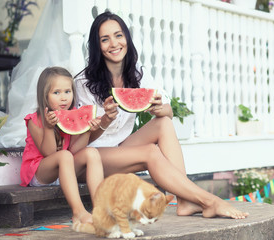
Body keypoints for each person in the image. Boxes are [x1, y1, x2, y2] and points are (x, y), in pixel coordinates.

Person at [75, 11, 249, 219]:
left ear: (127, 38)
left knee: (163, 124)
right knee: (150, 152)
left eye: (118, 35)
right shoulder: (84, 83)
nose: (114, 43)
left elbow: (169, 112)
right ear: (97, 46)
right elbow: (80, 140)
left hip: (122, 150)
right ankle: (209, 201)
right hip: (92, 159)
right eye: (105, 39)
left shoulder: (137, 72)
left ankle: (185, 200)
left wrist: (160, 108)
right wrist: (104, 122)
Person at [20, 67, 104, 224]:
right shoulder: (34, 120)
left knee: (91, 152)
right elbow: (49, 153)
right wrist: (48, 128)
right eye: (56, 93)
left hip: (64, 170)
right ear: (44, 95)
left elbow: (74, 150)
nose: (64, 98)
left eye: (68, 91)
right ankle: (78, 212)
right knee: (64, 156)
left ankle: (101, 209)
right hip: (39, 173)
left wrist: (87, 130)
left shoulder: (70, 116)